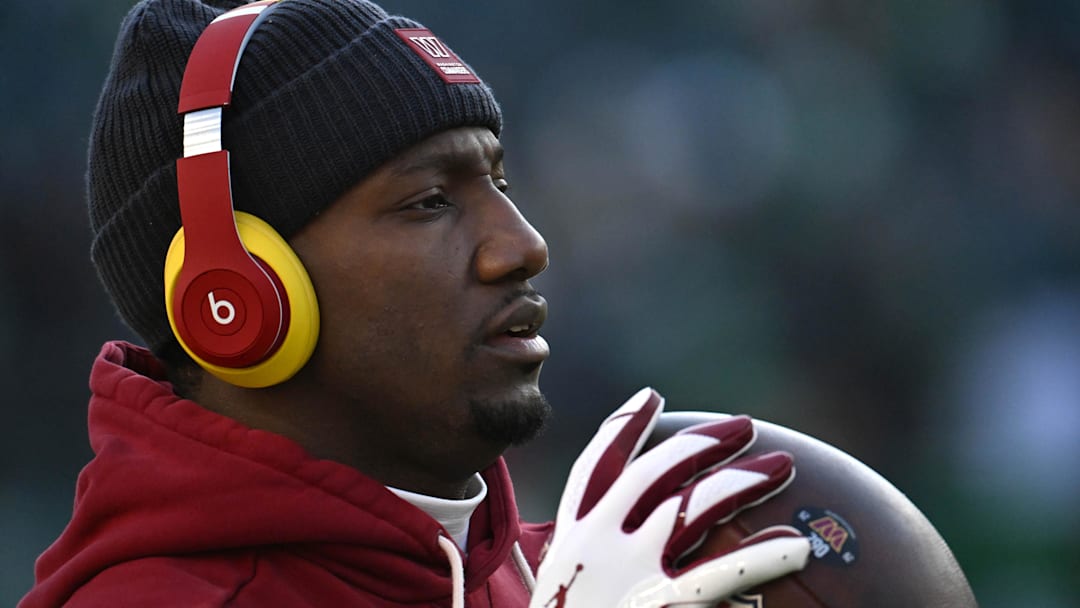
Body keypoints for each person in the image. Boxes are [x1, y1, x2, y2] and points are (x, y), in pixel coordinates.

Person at [20, 1, 810, 606]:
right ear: (234, 298)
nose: (524, 245)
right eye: (430, 201)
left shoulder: (567, 568)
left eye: (499, 182)